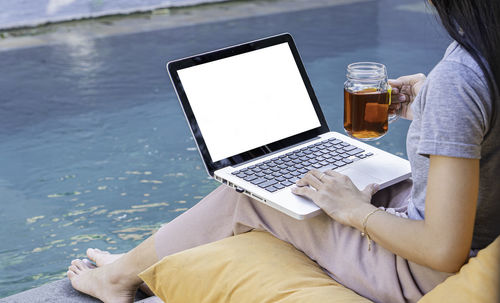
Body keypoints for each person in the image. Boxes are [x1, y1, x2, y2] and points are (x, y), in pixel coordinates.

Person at [66, 1, 500, 302]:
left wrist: (355, 211)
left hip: (421, 274)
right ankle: (136, 263)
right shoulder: (481, 57)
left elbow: (443, 250)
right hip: (472, 231)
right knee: (365, 179)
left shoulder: (460, 77)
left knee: (248, 195)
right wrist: (430, 109)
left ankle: (119, 278)